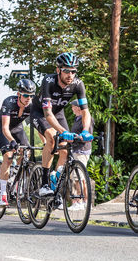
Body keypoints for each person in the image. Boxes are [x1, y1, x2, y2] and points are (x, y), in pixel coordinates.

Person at [31, 52, 93, 197]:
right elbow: (47, 114)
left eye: (73, 71)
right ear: (58, 70)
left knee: (65, 149)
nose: (70, 75)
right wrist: (61, 131)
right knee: (52, 139)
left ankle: (55, 180)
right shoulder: (49, 81)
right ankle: (44, 184)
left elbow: (85, 111)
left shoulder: (78, 84)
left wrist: (85, 130)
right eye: (66, 70)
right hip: (40, 112)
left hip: (58, 113)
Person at [0, 79, 36, 206]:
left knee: (27, 151)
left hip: (17, 128)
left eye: (31, 96)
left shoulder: (32, 106)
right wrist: (12, 141)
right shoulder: (9, 102)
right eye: (25, 95)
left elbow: (37, 124)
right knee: (7, 157)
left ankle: (15, 174)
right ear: (19, 94)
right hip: (3, 128)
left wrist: (46, 141)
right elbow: (5, 128)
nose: (28, 98)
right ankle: (2, 193)